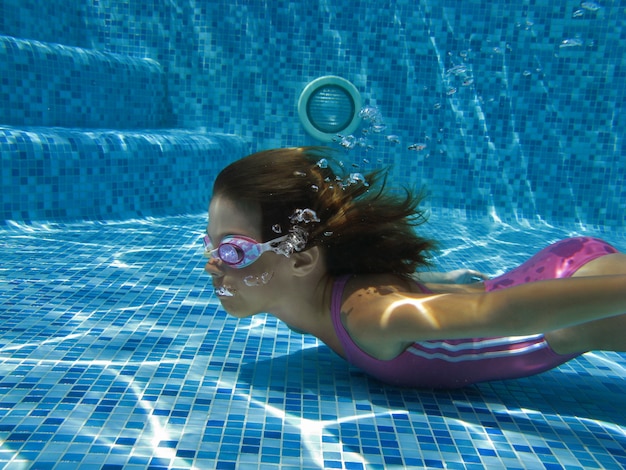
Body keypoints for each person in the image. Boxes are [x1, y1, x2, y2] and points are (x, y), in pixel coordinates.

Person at [203, 147, 626, 388]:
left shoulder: (367, 319)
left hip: (579, 304)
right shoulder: (304, 302)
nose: (211, 265)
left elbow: (498, 313)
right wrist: (442, 280)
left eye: (232, 250)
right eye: (210, 244)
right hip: (558, 281)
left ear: (300, 259)